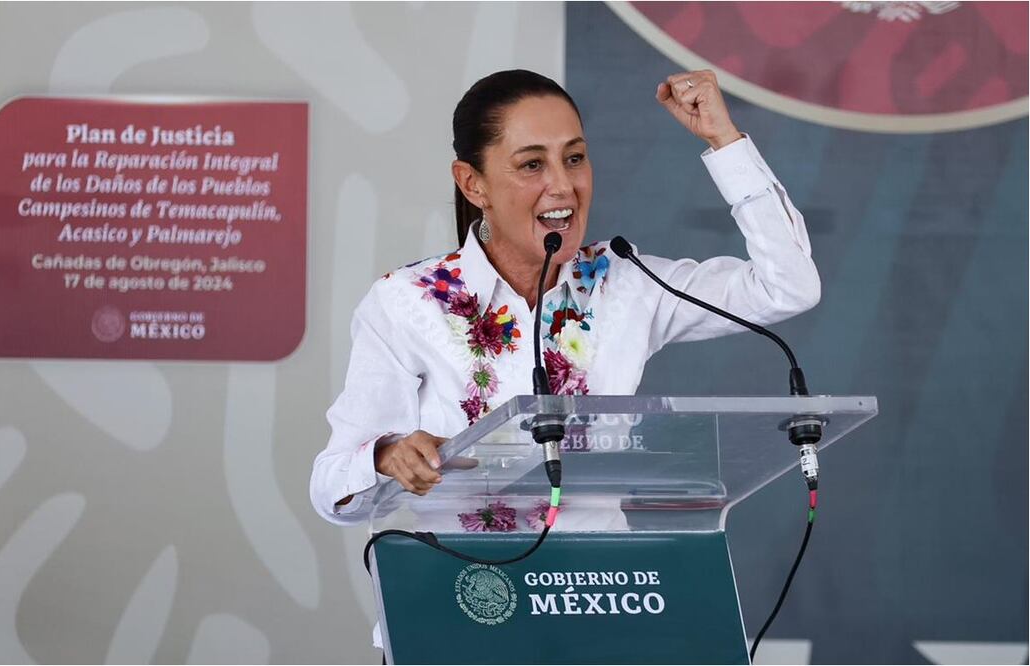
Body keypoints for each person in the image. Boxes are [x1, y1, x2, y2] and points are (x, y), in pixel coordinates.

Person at [310, 68, 820, 528]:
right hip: (468, 600)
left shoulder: (625, 283)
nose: (562, 186)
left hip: (598, 595)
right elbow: (333, 488)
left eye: (574, 158)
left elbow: (788, 286)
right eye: (532, 165)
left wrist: (725, 142)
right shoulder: (407, 303)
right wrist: (385, 456)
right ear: (472, 183)